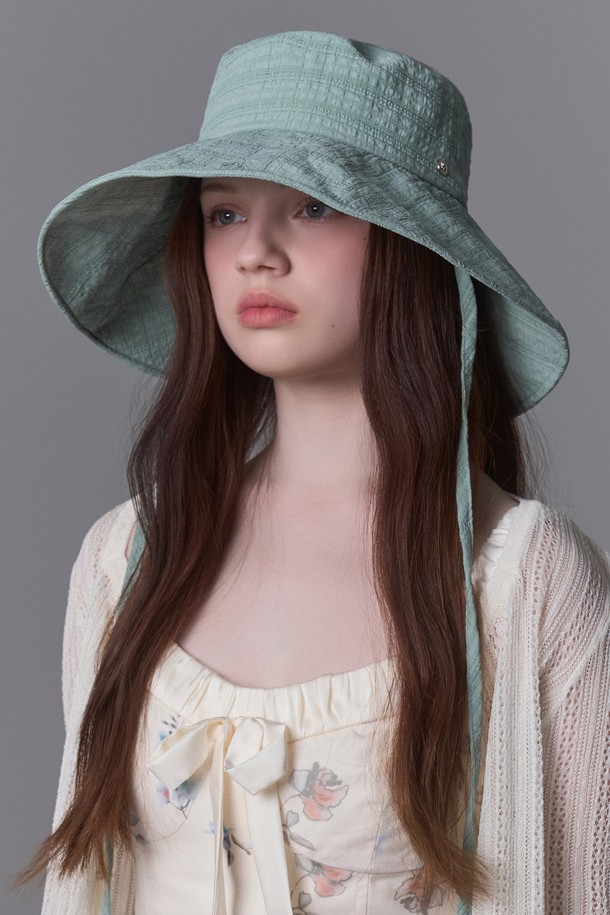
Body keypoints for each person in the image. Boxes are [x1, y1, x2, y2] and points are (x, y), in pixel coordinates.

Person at [23, 30, 609, 915]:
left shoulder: (527, 579)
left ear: (412, 245)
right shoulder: (125, 556)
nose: (255, 251)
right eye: (224, 214)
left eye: (313, 207)